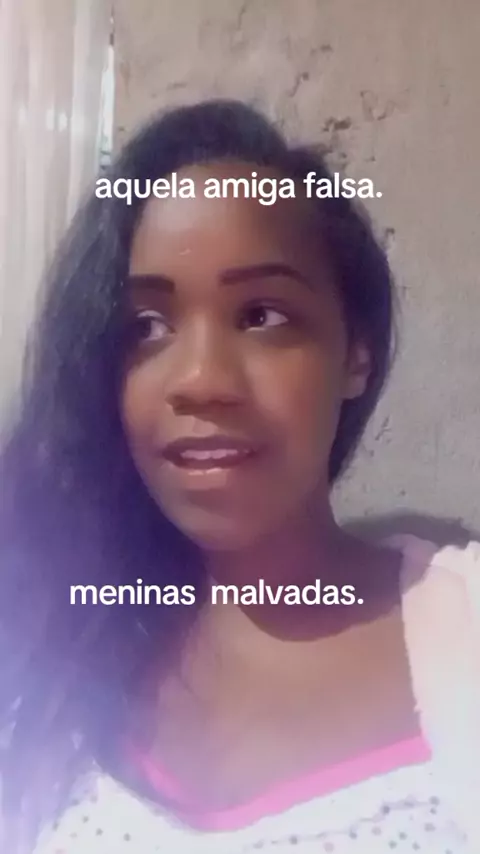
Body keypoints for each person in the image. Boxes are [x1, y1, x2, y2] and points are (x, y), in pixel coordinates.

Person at [0, 100, 478, 854]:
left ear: (355, 352)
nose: (200, 381)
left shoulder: (464, 631)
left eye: (262, 316)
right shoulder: (44, 642)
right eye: (147, 327)